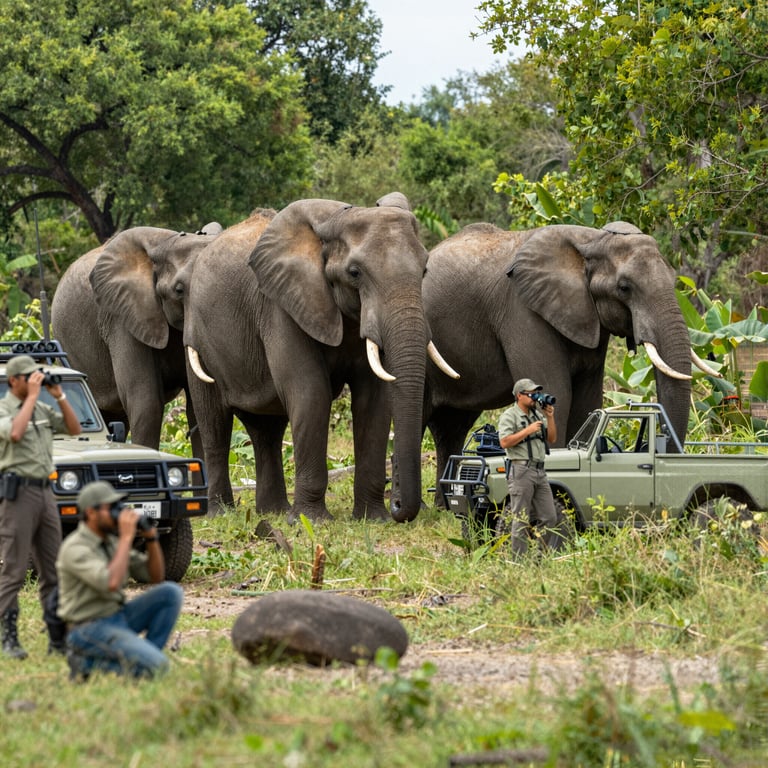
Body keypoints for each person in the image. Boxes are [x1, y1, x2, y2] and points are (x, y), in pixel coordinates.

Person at [56, 480, 183, 680]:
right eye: (111, 508)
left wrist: (151, 538)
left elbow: (155, 576)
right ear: (91, 513)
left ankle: (147, 657)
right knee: (160, 667)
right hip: (88, 628)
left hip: (118, 617)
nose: (119, 513)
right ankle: (86, 663)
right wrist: (126, 538)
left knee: (170, 593)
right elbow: (111, 583)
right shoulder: (75, 548)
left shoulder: (111, 542)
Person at [0, 354, 81, 659]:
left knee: (53, 570)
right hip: (17, 494)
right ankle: (9, 639)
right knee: (14, 570)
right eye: (29, 377)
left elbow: (73, 429)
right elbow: (16, 433)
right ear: (14, 381)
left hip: (46, 493)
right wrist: (33, 397)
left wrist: (59, 397)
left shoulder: (43, 409)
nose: (36, 380)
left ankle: (57, 639)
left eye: (38, 376)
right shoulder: (4, 408)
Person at [498, 378, 563, 556]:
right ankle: (519, 562)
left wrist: (549, 416)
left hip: (539, 471)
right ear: (519, 395)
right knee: (521, 519)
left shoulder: (537, 415)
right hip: (521, 471)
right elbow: (504, 442)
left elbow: (552, 439)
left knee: (550, 517)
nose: (535, 397)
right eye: (531, 394)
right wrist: (527, 431)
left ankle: (537, 557)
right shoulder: (509, 416)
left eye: (536, 393)